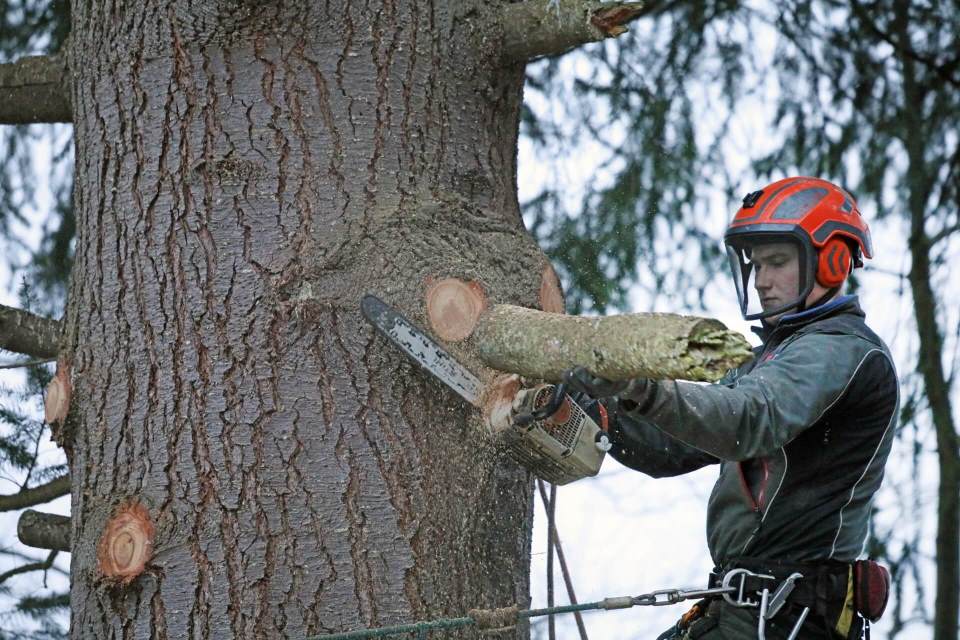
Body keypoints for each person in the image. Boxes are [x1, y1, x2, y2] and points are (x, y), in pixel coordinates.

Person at [563, 177, 899, 639]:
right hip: (743, 607)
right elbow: (670, 448)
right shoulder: (769, 359)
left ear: (833, 260)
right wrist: (599, 405)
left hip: (788, 617)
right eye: (756, 265)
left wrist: (641, 386)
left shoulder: (841, 351)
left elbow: (747, 419)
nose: (761, 281)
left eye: (777, 263)